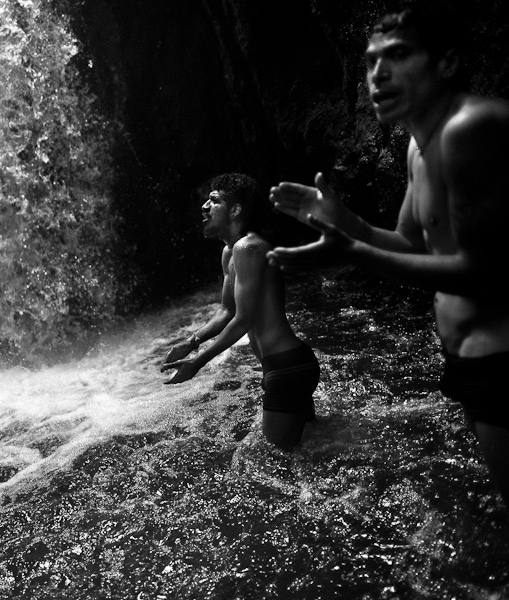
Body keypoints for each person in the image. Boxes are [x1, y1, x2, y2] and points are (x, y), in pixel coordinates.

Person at [267, 3, 509, 505]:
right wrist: (345, 221)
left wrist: (351, 250)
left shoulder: (471, 128)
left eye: (397, 55)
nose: (378, 73)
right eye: (372, 60)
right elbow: (411, 242)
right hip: (468, 355)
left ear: (447, 62)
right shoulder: (419, 148)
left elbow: (483, 271)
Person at [161, 173, 320, 450]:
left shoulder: (249, 248)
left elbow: (243, 319)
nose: (204, 207)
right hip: (282, 367)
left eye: (214, 201)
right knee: (307, 450)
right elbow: (226, 311)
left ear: (235, 210)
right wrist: (191, 342)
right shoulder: (230, 252)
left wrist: (197, 363)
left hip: (286, 367)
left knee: (274, 460)